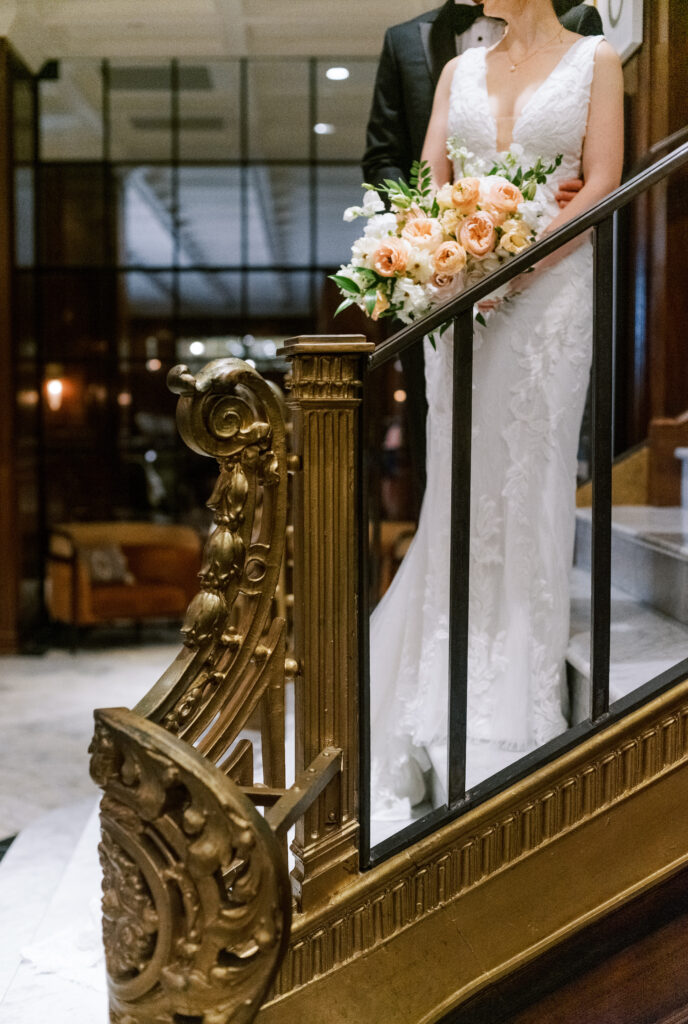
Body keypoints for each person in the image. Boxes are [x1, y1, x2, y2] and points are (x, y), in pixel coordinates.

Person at [369, 0, 623, 822]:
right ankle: (447, 659)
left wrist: (528, 254)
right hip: (462, 296)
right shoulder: (455, 69)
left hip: (553, 290)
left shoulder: (598, 62)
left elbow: (606, 178)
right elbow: (428, 181)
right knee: (463, 473)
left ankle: (519, 670)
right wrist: (452, 259)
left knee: (533, 461)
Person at [363, 0, 603, 504]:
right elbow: (395, 160)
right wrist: (426, 240)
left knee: (536, 442)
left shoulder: (585, 38)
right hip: (453, 273)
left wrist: (570, 195)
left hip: (554, 264)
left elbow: (599, 163)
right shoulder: (425, 51)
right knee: (449, 439)